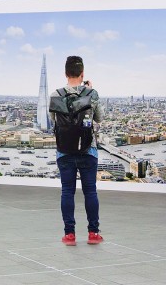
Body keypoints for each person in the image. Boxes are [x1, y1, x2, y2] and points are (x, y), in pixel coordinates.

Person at [50, 56, 104, 246]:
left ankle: (70, 234)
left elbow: (53, 121)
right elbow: (99, 119)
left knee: (67, 191)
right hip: (88, 150)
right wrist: (88, 91)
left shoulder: (55, 95)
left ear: (65, 74)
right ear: (82, 74)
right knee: (90, 191)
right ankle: (93, 233)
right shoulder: (92, 93)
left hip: (64, 151)